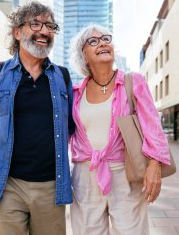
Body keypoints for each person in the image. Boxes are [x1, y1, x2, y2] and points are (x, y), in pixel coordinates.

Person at [0, 1, 74, 235]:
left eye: (50, 26)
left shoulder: (62, 77)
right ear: (17, 32)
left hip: (51, 188)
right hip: (5, 187)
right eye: (35, 24)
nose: (44, 31)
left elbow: (72, 127)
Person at [68, 24, 171, 235]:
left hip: (126, 173)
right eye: (94, 41)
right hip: (85, 176)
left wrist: (155, 165)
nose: (103, 43)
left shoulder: (133, 82)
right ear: (83, 55)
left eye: (106, 38)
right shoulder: (75, 92)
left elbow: (153, 127)